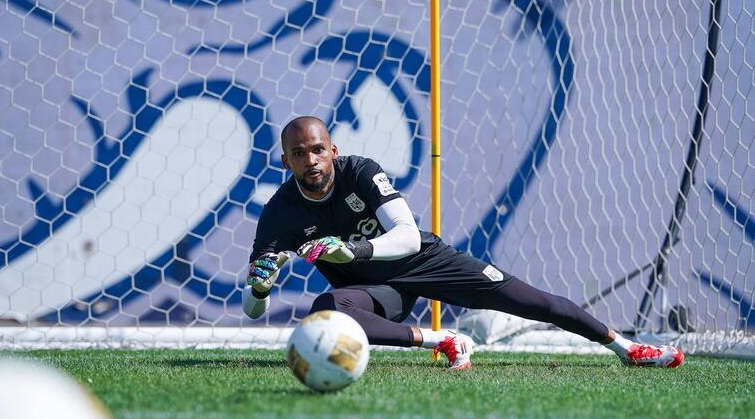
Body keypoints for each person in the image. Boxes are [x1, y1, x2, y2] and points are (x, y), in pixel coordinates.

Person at [244, 116, 684, 370]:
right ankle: (441, 340)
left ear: (333, 150)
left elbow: (407, 236)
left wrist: (354, 251)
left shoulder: (361, 171)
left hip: (425, 261)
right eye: (299, 155)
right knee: (327, 309)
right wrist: (260, 289)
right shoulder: (280, 213)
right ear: (286, 161)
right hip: (380, 294)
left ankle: (628, 349)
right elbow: (253, 307)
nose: (311, 160)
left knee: (536, 303)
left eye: (317, 150)